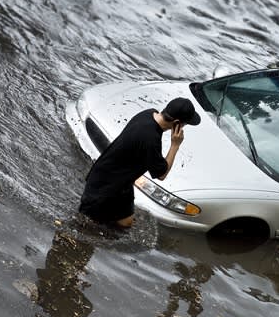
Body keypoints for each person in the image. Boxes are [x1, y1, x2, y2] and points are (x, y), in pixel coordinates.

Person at [78, 97, 201, 228]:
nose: (183, 127)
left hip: (120, 182)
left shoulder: (148, 113)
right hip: (105, 187)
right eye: (184, 124)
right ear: (177, 123)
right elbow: (162, 174)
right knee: (85, 226)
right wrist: (175, 145)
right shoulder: (151, 139)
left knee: (126, 223)